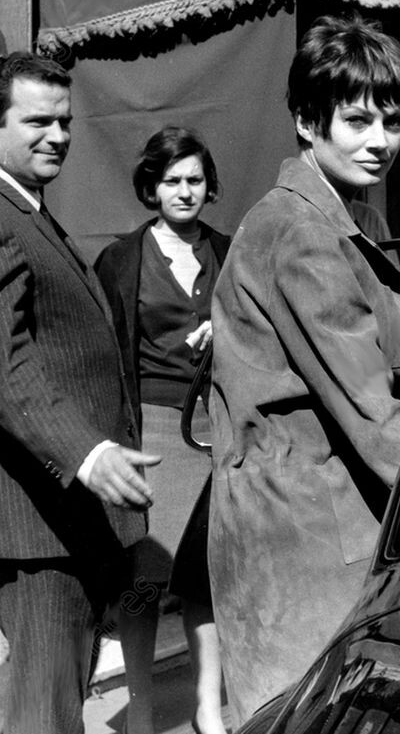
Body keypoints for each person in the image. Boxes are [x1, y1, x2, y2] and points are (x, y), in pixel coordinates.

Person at [207, 13, 400, 726]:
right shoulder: (303, 232)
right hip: (306, 541)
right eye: (357, 120)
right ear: (305, 121)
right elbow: (374, 412)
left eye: (393, 121)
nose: (381, 140)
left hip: (304, 526)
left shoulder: (322, 217)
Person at [0, 53, 161, 734]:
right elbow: (5, 367)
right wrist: (88, 454)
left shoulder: (31, 211)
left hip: (65, 521)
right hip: (40, 526)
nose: (58, 136)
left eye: (65, 122)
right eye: (38, 121)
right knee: (43, 713)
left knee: (57, 703)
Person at [95, 127, 230, 734]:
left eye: (194, 180)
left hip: (216, 429)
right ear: (151, 188)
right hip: (149, 433)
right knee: (143, 583)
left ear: (209, 186)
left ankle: (206, 708)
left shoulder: (229, 252)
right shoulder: (122, 260)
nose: (184, 191)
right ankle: (142, 708)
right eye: (171, 180)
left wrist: (228, 330)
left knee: (206, 579)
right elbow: (102, 355)